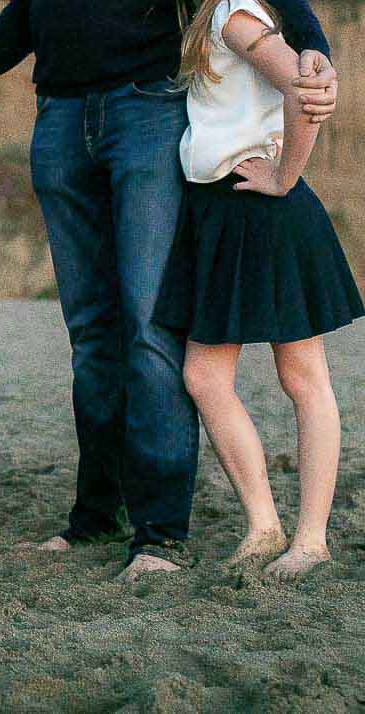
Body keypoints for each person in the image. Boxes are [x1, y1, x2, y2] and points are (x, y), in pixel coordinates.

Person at [0, 0, 338, 580]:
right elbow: (29, 13)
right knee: (90, 332)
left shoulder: (232, 17)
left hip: (149, 109)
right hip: (59, 116)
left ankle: (160, 535)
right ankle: (96, 516)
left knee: (149, 326)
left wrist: (313, 48)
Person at [153, 0, 363, 579]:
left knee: (302, 375)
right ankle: (264, 526)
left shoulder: (234, 13)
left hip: (258, 208)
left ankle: (311, 540)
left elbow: (302, 88)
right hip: (221, 213)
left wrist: (285, 175)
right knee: (205, 377)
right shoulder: (215, 16)